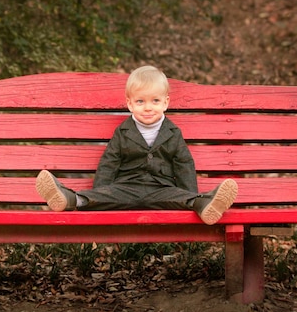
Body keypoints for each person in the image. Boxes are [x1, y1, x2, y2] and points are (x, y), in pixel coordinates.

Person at [35, 65, 238, 225]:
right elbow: (109, 163)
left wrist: (190, 193)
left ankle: (203, 203)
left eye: (155, 101)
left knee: (180, 197)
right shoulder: (123, 132)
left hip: (161, 189)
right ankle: (67, 198)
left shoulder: (173, 133)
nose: (148, 108)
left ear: (166, 103)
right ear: (130, 104)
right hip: (126, 188)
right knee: (103, 196)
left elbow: (184, 164)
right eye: (140, 101)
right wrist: (101, 196)